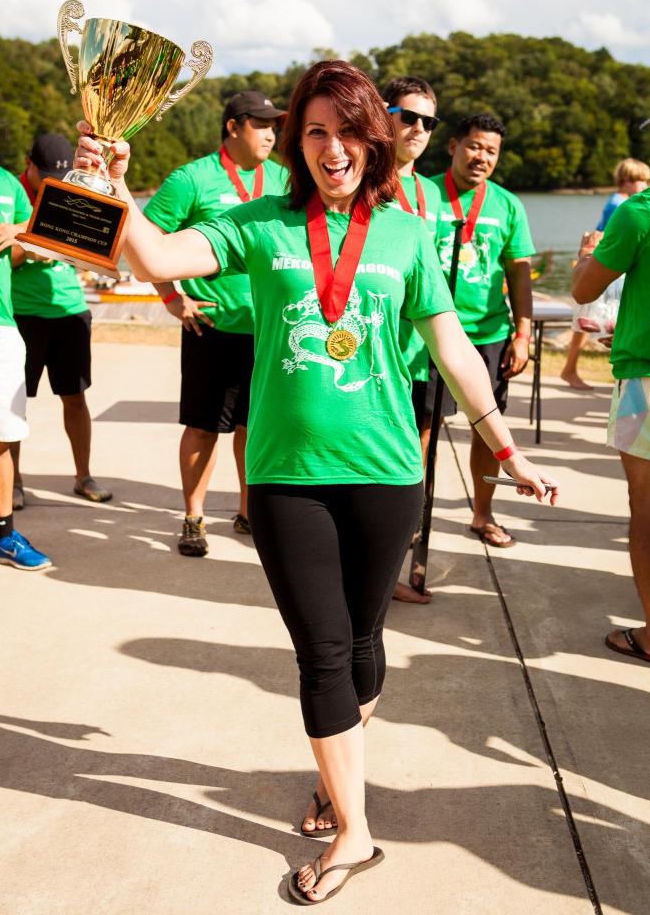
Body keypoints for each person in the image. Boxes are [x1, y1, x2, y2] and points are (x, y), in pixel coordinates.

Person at [72, 60, 557, 904]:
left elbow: (449, 346)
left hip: (386, 471)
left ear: (374, 141)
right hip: (286, 477)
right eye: (315, 133)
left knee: (362, 644)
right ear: (298, 143)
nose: (333, 149)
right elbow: (154, 255)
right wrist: (114, 185)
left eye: (348, 133)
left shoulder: (406, 234)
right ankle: (354, 834)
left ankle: (338, 774)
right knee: (323, 653)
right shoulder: (257, 223)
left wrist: (504, 447)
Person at [144, 91, 286, 557]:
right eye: (261, 124)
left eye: (274, 125)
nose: (271, 134)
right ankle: (193, 517)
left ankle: (248, 513)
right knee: (204, 428)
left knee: (254, 428)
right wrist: (172, 297)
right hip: (211, 327)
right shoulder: (192, 178)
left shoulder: (284, 179)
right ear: (233, 127)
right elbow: (147, 238)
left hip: (270, 330)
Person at [424, 113, 535, 548]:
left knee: (487, 429)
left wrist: (522, 334)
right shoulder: (424, 193)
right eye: (474, 146)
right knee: (423, 429)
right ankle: (414, 516)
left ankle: (483, 513)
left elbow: (519, 273)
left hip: (488, 334)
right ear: (453, 145)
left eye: (491, 151)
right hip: (430, 333)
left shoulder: (508, 205)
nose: (481, 157)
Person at [0, 86, 51, 570]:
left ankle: (3, 536)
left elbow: (39, 239)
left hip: (1, 328)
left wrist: (19, 231)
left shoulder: (4, 182)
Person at [572, 183, 650, 666]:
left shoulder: (639, 212)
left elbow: (584, 290)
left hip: (645, 379)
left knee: (647, 510)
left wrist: (586, 256)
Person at [10, 133, 112, 508]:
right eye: (47, 176)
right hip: (22, 313)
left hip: (70, 311)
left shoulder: (72, 189)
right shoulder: (12, 194)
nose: (54, 183)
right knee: (13, 403)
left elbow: (92, 252)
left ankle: (83, 476)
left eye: (61, 176)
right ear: (29, 165)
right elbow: (1, 256)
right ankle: (13, 481)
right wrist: (32, 245)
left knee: (75, 397)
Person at [383, 75, 442, 604]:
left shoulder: (435, 193)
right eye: (409, 116)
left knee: (415, 459)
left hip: (422, 352)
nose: (419, 128)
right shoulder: (362, 183)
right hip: (376, 353)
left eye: (429, 120)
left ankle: (394, 567)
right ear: (384, 116)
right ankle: (377, 574)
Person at [561, 157, 650, 390]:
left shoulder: (630, 204)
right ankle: (570, 368)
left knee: (590, 321)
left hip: (607, 259)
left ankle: (570, 368)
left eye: (646, 180)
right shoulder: (622, 204)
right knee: (588, 320)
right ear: (626, 180)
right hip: (606, 261)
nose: (644, 185)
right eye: (639, 180)